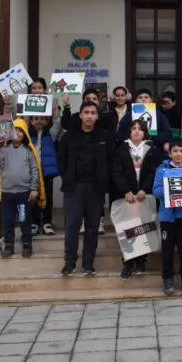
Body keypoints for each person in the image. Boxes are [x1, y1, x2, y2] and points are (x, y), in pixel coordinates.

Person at [57, 101, 116, 277]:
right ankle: (69, 262)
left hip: (96, 188)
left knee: (92, 227)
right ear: (80, 115)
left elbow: (111, 160)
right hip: (74, 188)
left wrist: (105, 180)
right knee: (72, 226)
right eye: (86, 112)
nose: (90, 116)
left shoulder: (105, 136)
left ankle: (88, 263)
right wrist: (67, 178)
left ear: (97, 116)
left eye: (93, 112)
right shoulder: (69, 136)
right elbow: (61, 160)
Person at [112, 120, 164, 280]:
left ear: (145, 132)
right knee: (128, 228)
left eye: (139, 129)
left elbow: (154, 170)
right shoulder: (121, 148)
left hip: (144, 195)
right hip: (128, 196)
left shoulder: (152, 148)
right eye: (133, 128)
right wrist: (126, 190)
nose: (136, 131)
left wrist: (144, 189)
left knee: (144, 227)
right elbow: (117, 171)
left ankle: (141, 260)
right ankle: (128, 261)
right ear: (129, 131)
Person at [0, 118, 45, 258]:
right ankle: (8, 245)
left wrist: (34, 188)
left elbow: (34, 170)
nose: (17, 133)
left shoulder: (28, 151)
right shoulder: (3, 150)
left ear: (25, 134)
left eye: (20, 131)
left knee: (24, 219)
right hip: (7, 193)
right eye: (15, 130)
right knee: (8, 220)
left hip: (23, 194)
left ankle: (26, 244)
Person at [153, 138, 182, 295]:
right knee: (167, 249)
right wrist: (171, 186)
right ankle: (167, 279)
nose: (178, 154)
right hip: (167, 216)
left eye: (181, 151)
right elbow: (156, 191)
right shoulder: (162, 169)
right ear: (169, 153)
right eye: (175, 151)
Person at [27, 114, 63, 236]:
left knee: (47, 198)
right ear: (31, 121)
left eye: (42, 119)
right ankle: (34, 223)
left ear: (47, 121)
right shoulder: (27, 135)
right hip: (32, 173)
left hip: (46, 172)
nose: (39, 121)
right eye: (36, 119)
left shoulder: (50, 134)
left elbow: (57, 126)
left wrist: (55, 112)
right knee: (32, 198)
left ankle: (47, 222)